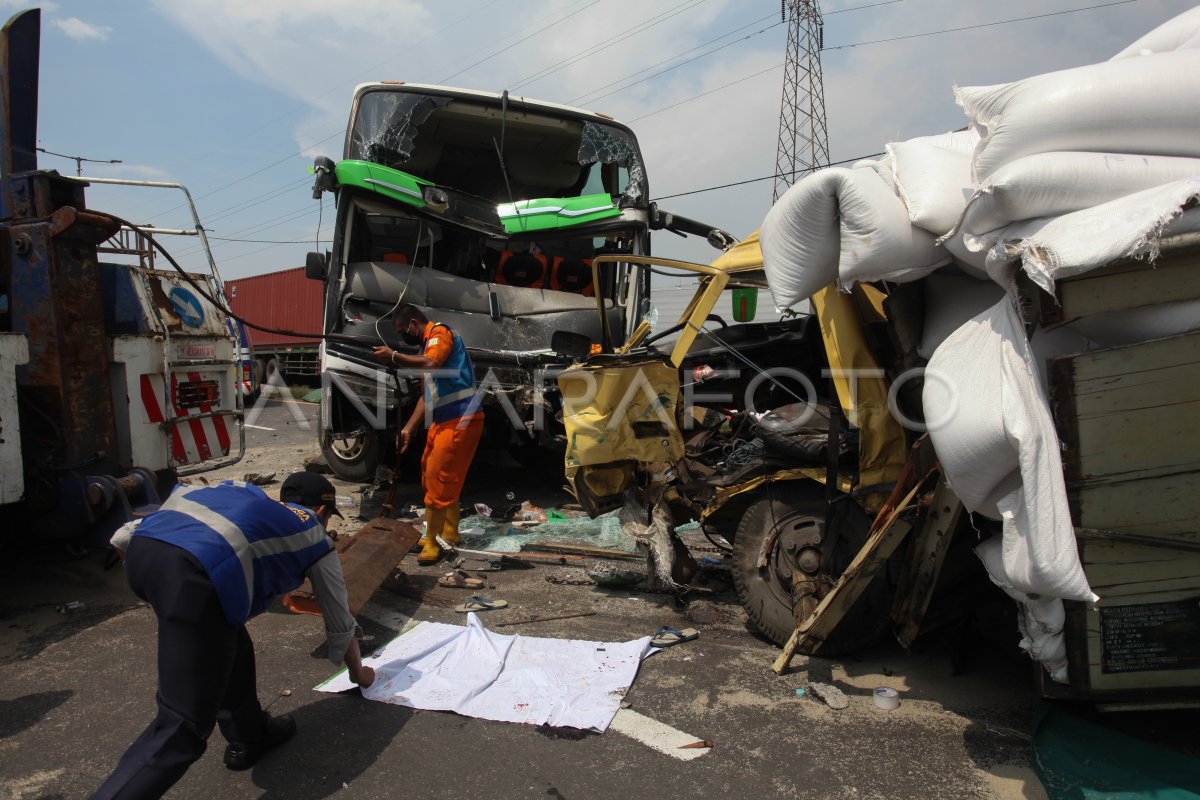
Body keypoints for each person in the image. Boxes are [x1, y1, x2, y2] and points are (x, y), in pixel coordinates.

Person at [92, 473, 375, 800]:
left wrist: (161, 583)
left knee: (226, 635)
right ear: (323, 512)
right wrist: (359, 674)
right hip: (194, 576)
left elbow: (121, 537)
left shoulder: (243, 497)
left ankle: (250, 733)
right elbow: (339, 619)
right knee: (182, 725)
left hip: (145, 556)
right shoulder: (313, 535)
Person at [372, 304, 484, 565]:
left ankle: (433, 541)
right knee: (431, 472)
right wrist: (408, 428)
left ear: (413, 323)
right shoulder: (426, 348)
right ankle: (449, 532)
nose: (403, 336)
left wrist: (394, 355)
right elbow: (427, 397)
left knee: (438, 476)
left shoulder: (440, 334)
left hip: (461, 417)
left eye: (403, 331)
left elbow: (432, 362)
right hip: (447, 419)